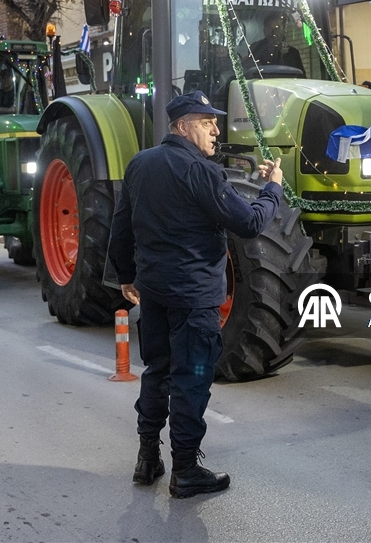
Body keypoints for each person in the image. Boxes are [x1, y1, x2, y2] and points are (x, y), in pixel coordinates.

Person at [109, 90, 284, 499]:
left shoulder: (140, 164)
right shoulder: (201, 172)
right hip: (193, 298)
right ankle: (185, 470)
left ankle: (147, 458)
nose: (216, 129)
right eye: (208, 122)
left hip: (153, 293)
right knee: (192, 381)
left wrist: (126, 275)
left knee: (157, 372)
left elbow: (122, 225)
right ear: (185, 126)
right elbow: (249, 224)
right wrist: (273, 188)